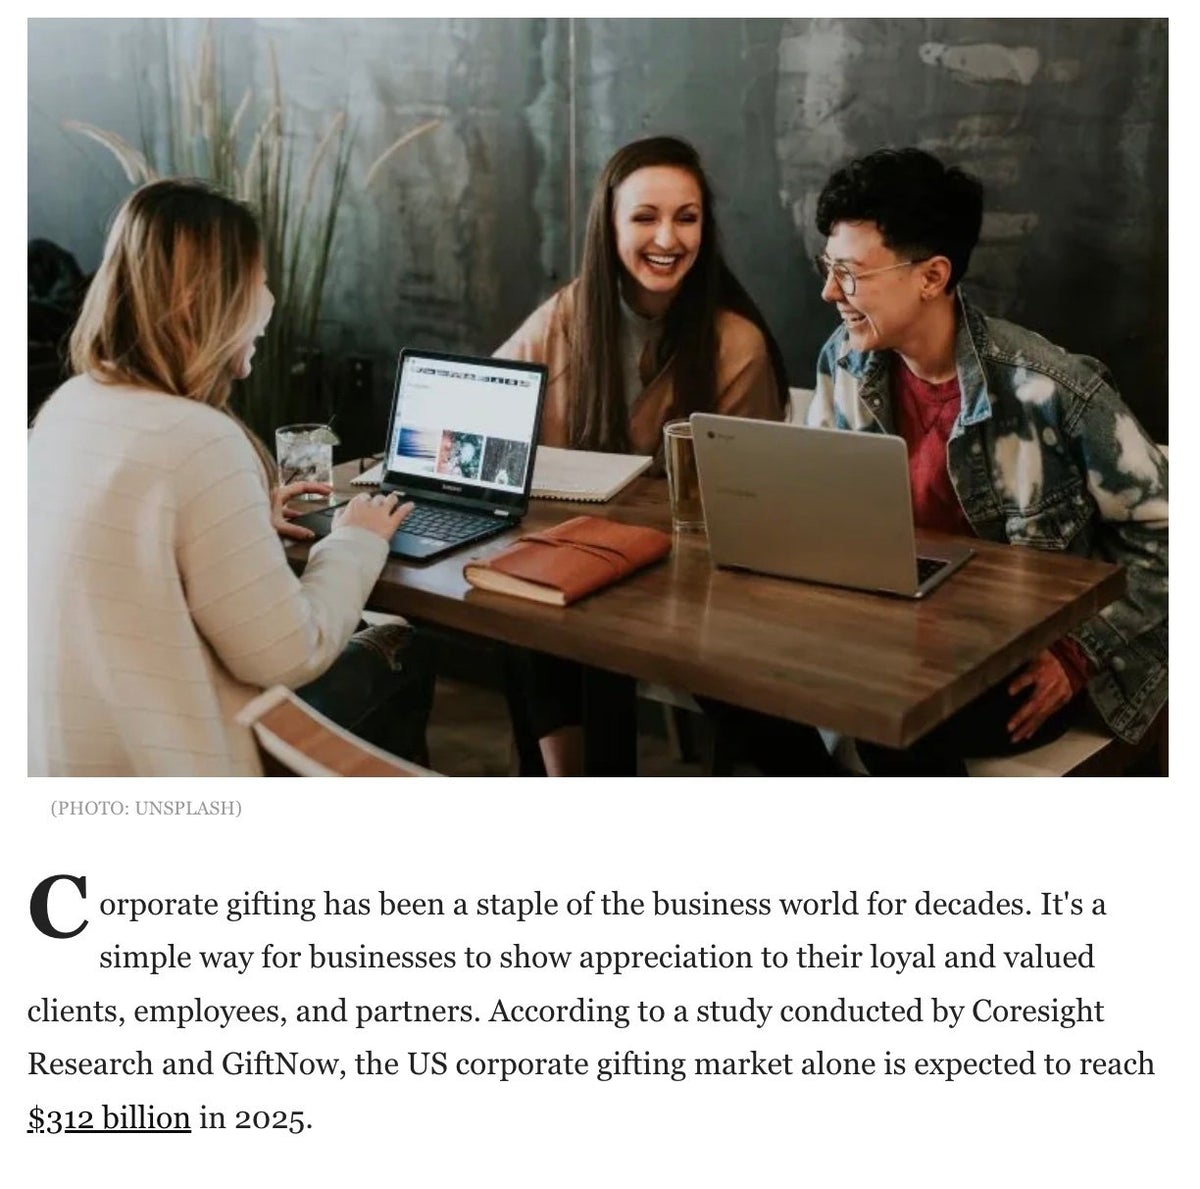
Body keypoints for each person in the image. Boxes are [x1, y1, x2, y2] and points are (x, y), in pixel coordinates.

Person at [29, 178, 431, 776]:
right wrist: (356, 540)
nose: (269, 300)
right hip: (168, 772)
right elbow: (289, 654)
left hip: (63, 759)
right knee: (403, 651)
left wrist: (239, 518)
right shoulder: (199, 439)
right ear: (209, 299)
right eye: (259, 279)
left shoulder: (68, 406)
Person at [806, 147, 1167, 775]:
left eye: (851, 273)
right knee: (732, 682)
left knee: (892, 719)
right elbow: (822, 510)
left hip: (1020, 659)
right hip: (894, 636)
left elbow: (1168, 537)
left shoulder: (1051, 389)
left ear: (932, 276)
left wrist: (1079, 653)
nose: (829, 291)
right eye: (829, 267)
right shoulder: (845, 360)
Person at [496, 135, 809, 776]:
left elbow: (750, 508)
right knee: (517, 604)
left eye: (686, 218)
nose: (667, 239)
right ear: (609, 225)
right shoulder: (568, 315)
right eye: (645, 217)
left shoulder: (734, 345)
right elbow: (487, 402)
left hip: (690, 590)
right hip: (581, 570)